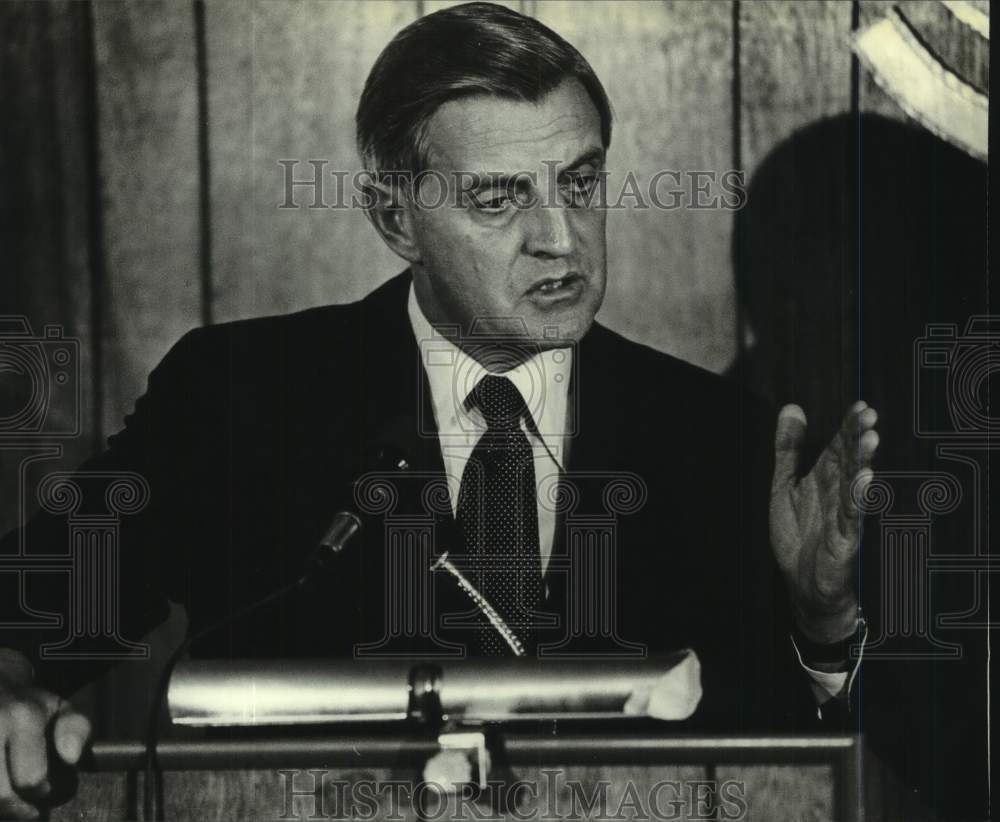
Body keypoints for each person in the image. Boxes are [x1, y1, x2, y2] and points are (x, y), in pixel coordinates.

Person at [0, 3, 879, 818]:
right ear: (396, 220)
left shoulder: (717, 434)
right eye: (499, 199)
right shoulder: (241, 396)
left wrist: (819, 623)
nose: (561, 239)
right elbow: (33, 607)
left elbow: (807, 764)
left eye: (579, 182)